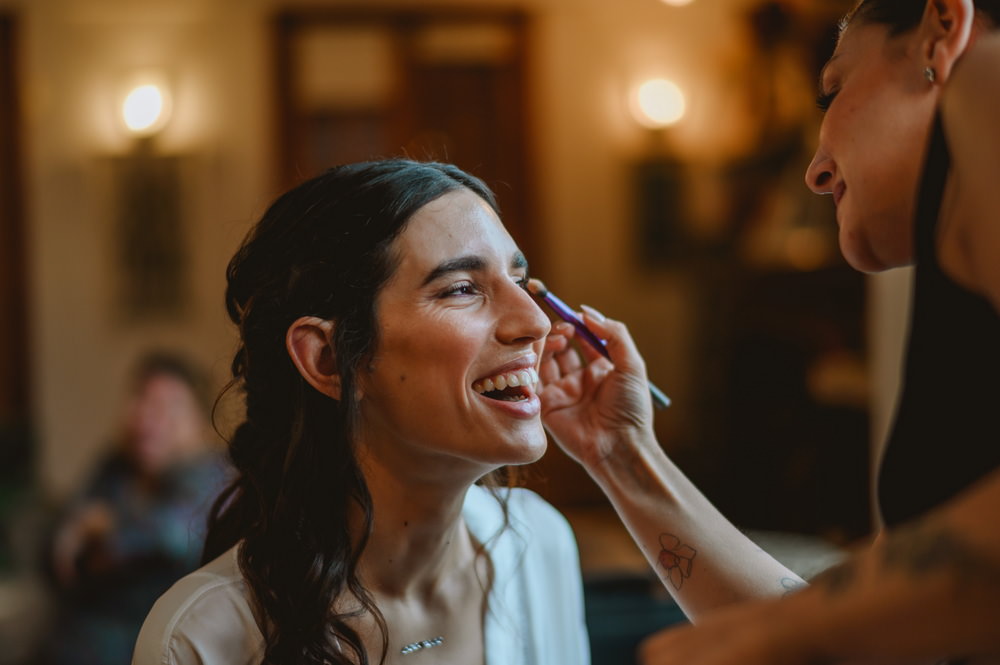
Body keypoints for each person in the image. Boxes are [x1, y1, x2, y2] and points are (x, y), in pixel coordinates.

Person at [538, 0, 1000, 663]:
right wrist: (622, 452)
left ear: (943, 30)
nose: (814, 171)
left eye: (833, 91)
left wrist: (771, 636)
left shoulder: (988, 78)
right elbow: (876, 625)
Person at [132, 160, 589, 665]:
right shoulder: (200, 638)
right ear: (329, 359)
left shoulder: (537, 548)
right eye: (461, 288)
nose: (536, 321)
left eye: (521, 281)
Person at [40, 352, 229, 665]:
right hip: (70, 642)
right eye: (141, 399)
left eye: (167, 406)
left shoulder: (211, 473)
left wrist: (102, 529)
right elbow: (58, 543)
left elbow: (174, 535)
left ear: (199, 422)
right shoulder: (116, 466)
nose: (147, 417)